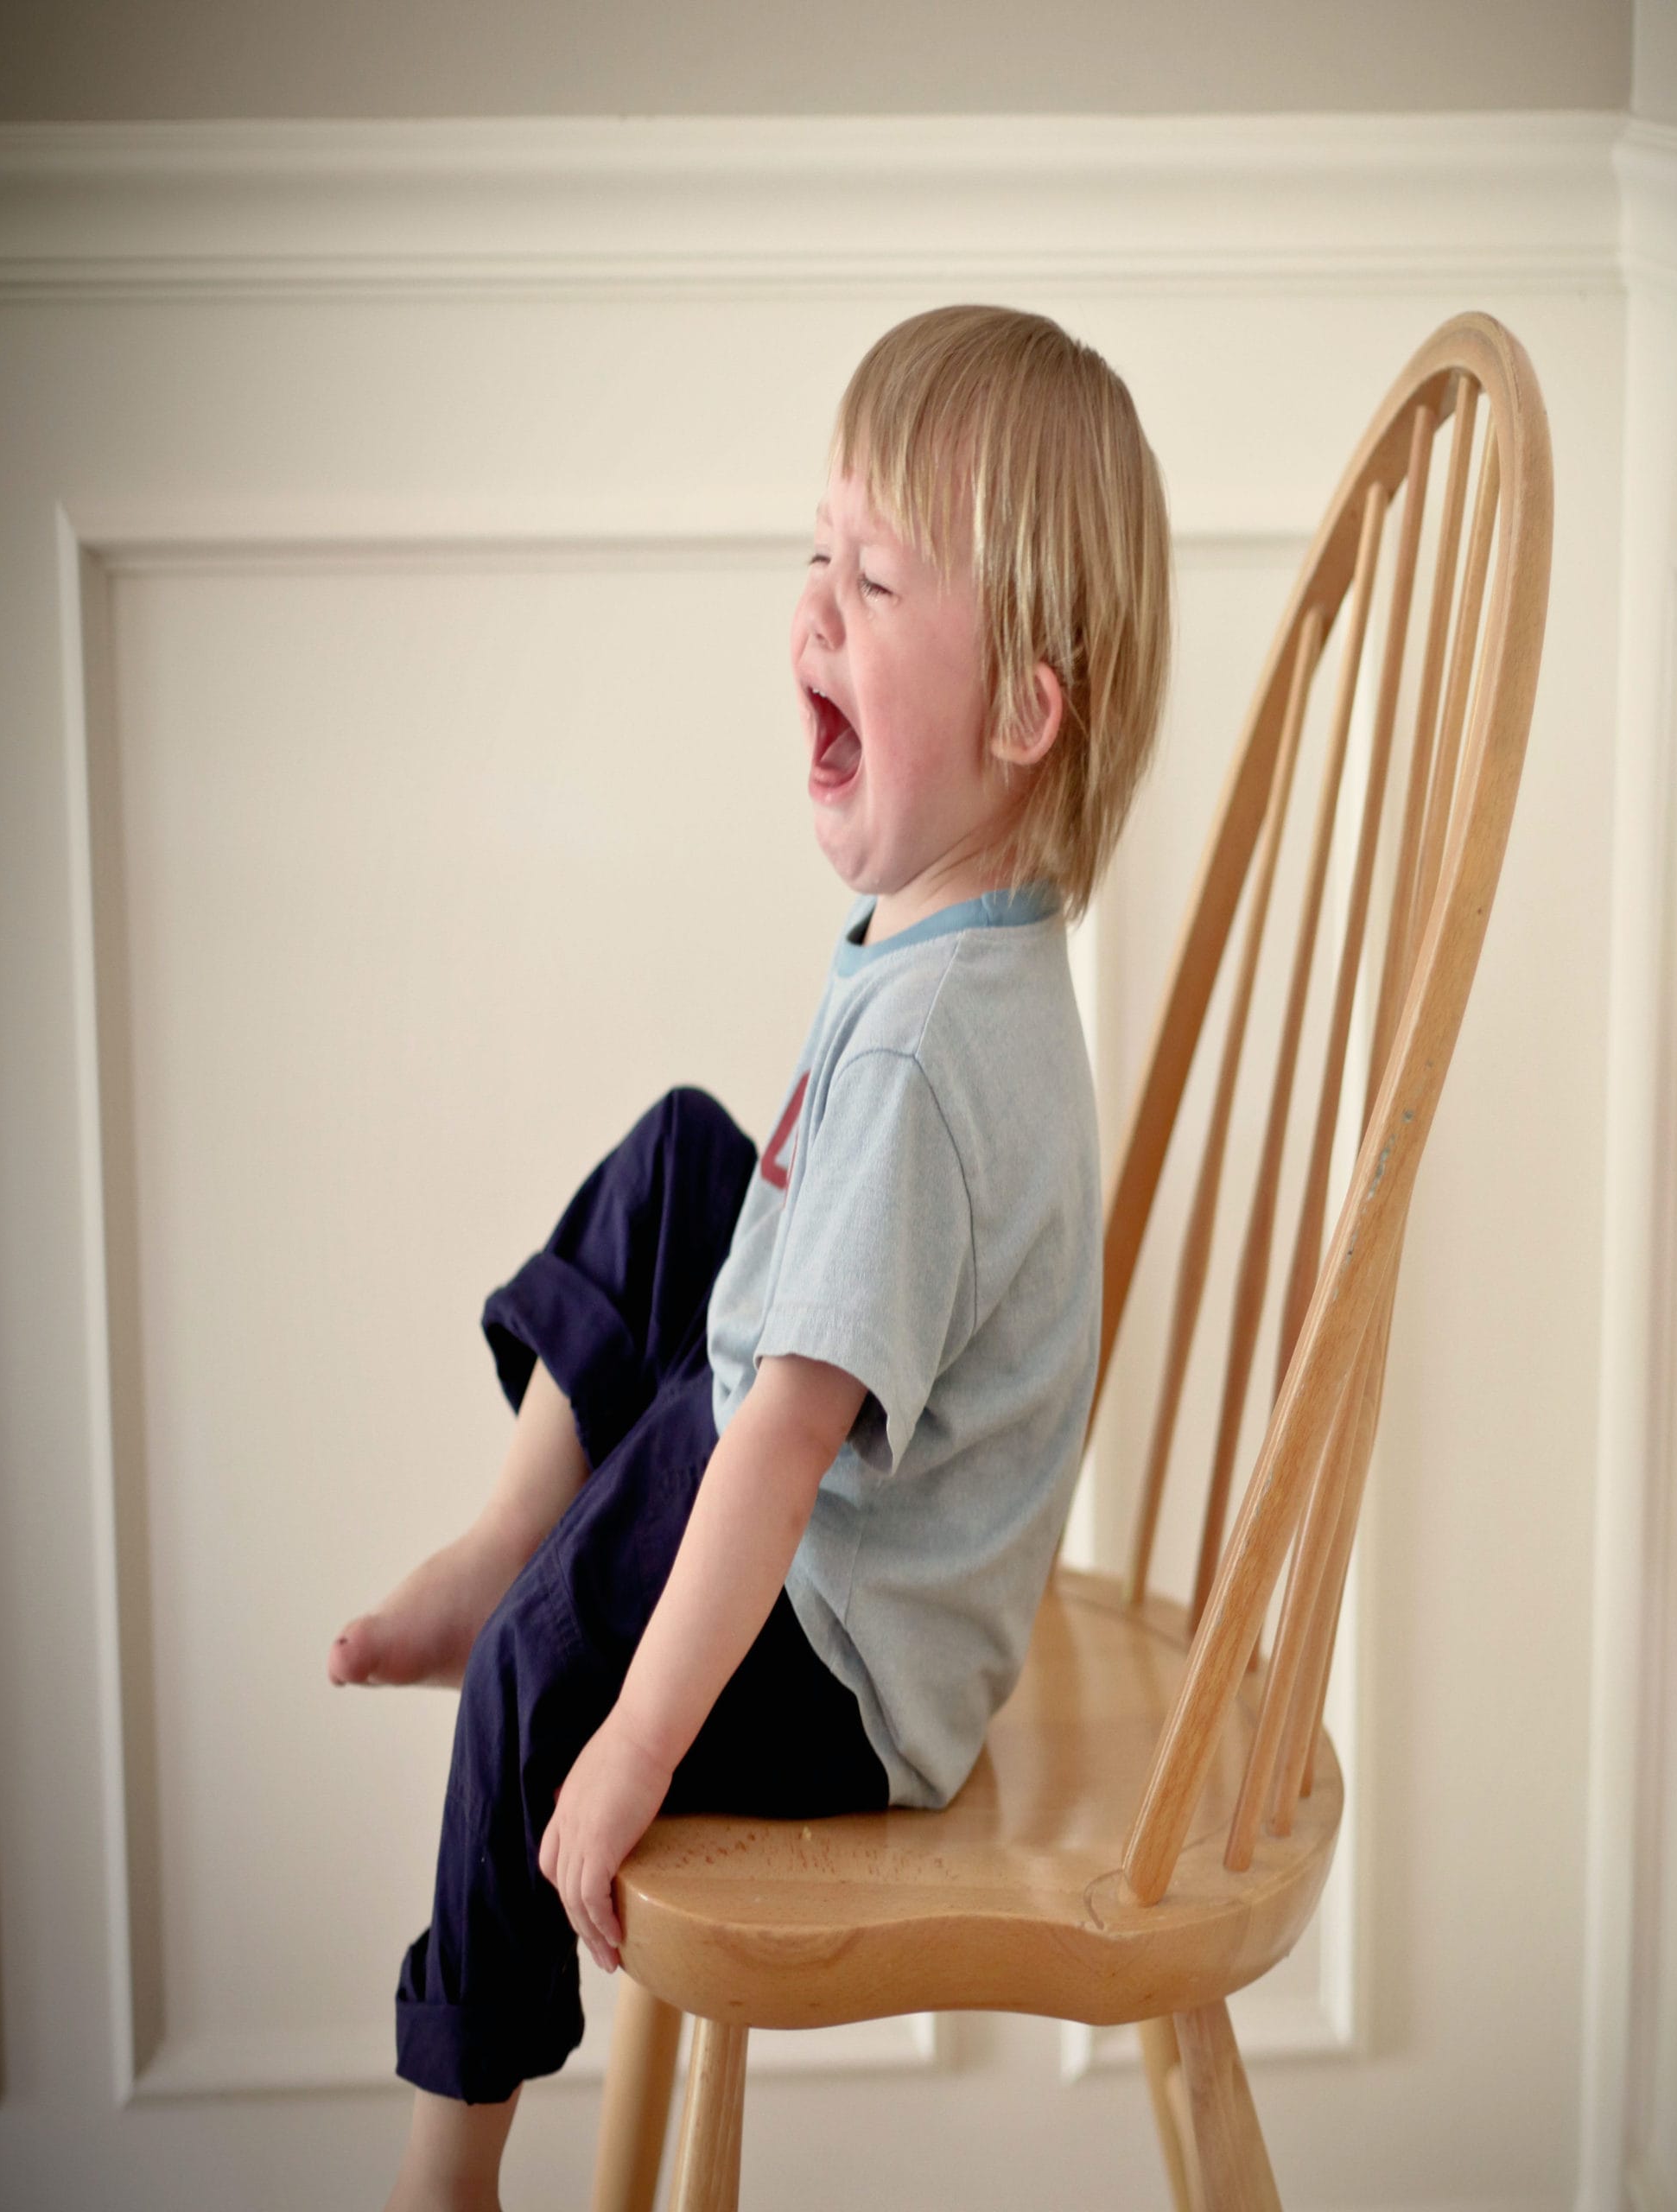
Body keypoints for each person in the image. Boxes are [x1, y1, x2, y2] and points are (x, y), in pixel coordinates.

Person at [327, 302, 1172, 2212]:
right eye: (817, 552)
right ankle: (495, 1548)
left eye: (873, 578)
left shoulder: (934, 1060)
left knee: (547, 1666)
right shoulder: (947, 924)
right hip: (884, 1545)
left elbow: (776, 1450)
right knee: (681, 1158)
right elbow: (786, 1340)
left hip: (858, 1666)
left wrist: (627, 1740)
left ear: (1024, 714)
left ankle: (439, 2162)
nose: (812, 608)